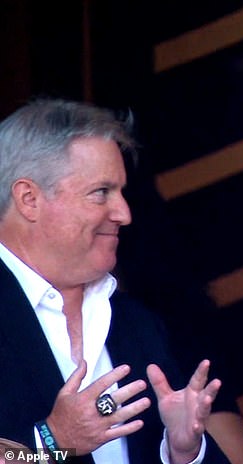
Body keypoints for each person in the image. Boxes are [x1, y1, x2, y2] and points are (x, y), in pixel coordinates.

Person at [0, 98, 221, 464]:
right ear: (29, 199)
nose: (124, 213)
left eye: (121, 192)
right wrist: (50, 443)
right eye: (101, 192)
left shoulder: (136, 323)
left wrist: (184, 452)